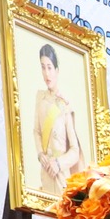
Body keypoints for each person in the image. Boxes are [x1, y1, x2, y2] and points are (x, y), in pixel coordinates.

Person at [32, 42, 88, 195]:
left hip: (61, 176)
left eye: (49, 67)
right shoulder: (40, 98)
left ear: (56, 70)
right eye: (43, 67)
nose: (46, 73)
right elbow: (36, 131)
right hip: (45, 174)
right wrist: (40, 154)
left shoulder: (64, 104)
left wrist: (59, 163)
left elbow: (75, 151)